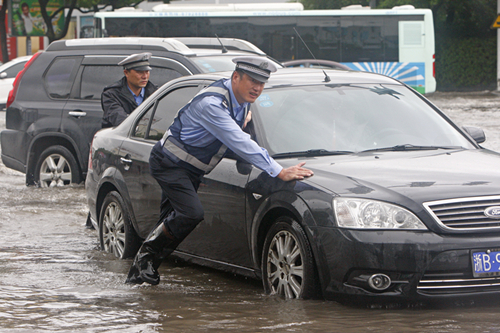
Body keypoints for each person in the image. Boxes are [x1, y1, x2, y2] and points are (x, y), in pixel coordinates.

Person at [126, 56, 314, 286]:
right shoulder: (212, 105)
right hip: (170, 164)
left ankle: (138, 277)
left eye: (262, 83)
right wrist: (278, 171)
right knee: (190, 214)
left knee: (171, 221)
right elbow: (238, 140)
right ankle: (145, 260)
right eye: (253, 81)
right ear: (236, 77)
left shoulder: (241, 98)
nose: (258, 88)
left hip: (191, 169)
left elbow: (241, 129)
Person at [101, 52, 158, 128]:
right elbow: (119, 119)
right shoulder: (112, 94)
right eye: (140, 72)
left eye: (147, 72)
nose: (145, 76)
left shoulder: (155, 93)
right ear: (126, 73)